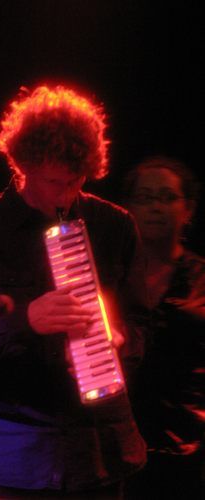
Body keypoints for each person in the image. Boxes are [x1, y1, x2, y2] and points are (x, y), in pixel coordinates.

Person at [0, 85, 148, 499]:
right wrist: (25, 321)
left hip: (99, 454)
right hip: (8, 460)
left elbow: (143, 323)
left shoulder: (114, 226)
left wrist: (119, 340)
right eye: (53, 182)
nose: (66, 194)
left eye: (76, 181)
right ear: (21, 164)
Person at [120, 156, 205, 499]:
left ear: (188, 209)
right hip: (116, 446)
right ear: (127, 208)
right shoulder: (111, 276)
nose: (156, 206)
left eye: (167, 197)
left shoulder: (201, 277)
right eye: (145, 197)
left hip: (190, 446)